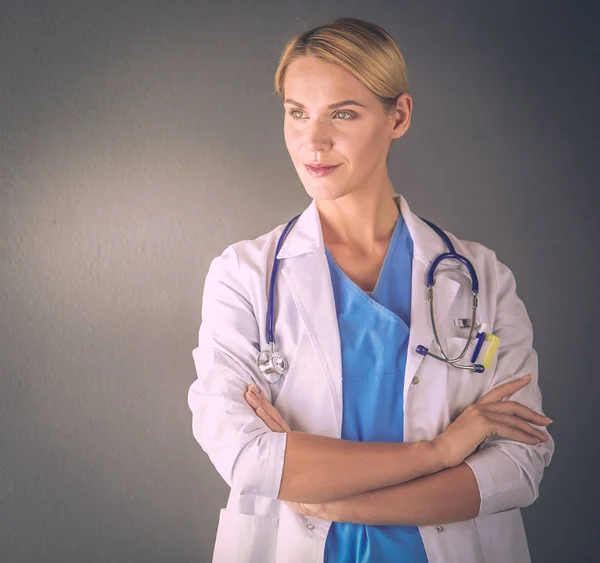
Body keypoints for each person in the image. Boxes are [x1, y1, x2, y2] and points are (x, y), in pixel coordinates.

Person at [188, 17, 554, 563]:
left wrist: (339, 502)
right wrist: (443, 450)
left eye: (343, 113)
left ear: (397, 117)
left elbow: (519, 464)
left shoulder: (480, 278)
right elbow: (248, 458)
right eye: (297, 113)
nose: (314, 140)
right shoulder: (244, 277)